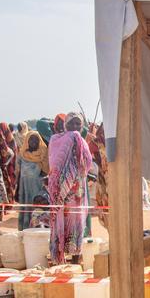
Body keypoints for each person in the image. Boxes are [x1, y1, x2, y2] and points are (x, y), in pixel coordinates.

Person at [47, 113, 93, 264]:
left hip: (77, 191)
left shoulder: (82, 141)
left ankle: (74, 260)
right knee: (62, 220)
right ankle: (60, 259)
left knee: (77, 222)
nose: (75, 127)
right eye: (72, 124)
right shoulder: (56, 140)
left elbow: (87, 164)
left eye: (78, 124)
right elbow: (54, 164)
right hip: (62, 192)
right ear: (65, 125)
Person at [17, 131, 49, 230]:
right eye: (31, 139)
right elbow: (19, 173)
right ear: (27, 140)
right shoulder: (22, 155)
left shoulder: (43, 154)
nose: (34, 141)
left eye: (36, 139)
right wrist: (17, 189)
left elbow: (46, 172)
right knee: (25, 210)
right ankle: (25, 230)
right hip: (24, 189)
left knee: (37, 212)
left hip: (37, 191)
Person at [0, 122, 18, 203]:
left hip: (10, 166)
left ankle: (9, 202)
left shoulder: (11, 140)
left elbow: (13, 153)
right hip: (0, 166)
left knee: (10, 184)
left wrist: (7, 162)